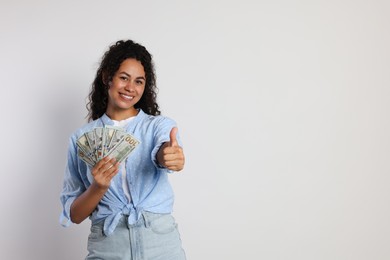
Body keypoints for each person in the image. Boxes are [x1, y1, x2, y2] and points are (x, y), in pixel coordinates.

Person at [60, 39, 186, 260]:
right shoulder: (81, 139)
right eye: (124, 78)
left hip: (161, 242)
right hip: (108, 245)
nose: (130, 88)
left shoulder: (159, 126)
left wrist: (167, 155)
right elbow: (74, 214)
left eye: (139, 81)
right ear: (107, 77)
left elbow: (162, 149)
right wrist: (98, 187)